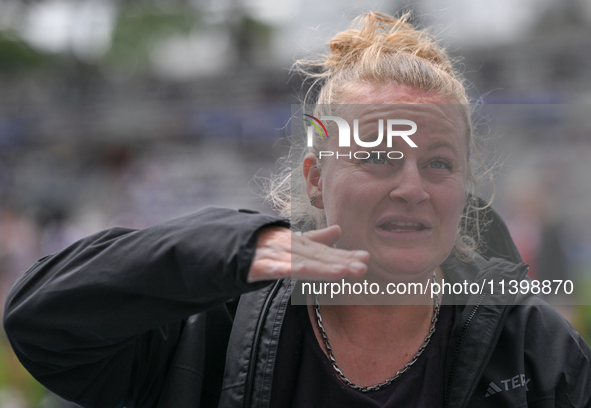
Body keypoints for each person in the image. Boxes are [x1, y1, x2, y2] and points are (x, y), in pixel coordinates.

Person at [3, 12, 591, 408]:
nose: (413, 187)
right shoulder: (209, 327)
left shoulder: (534, 350)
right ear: (316, 179)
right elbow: (40, 321)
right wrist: (235, 249)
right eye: (379, 156)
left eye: (439, 163)